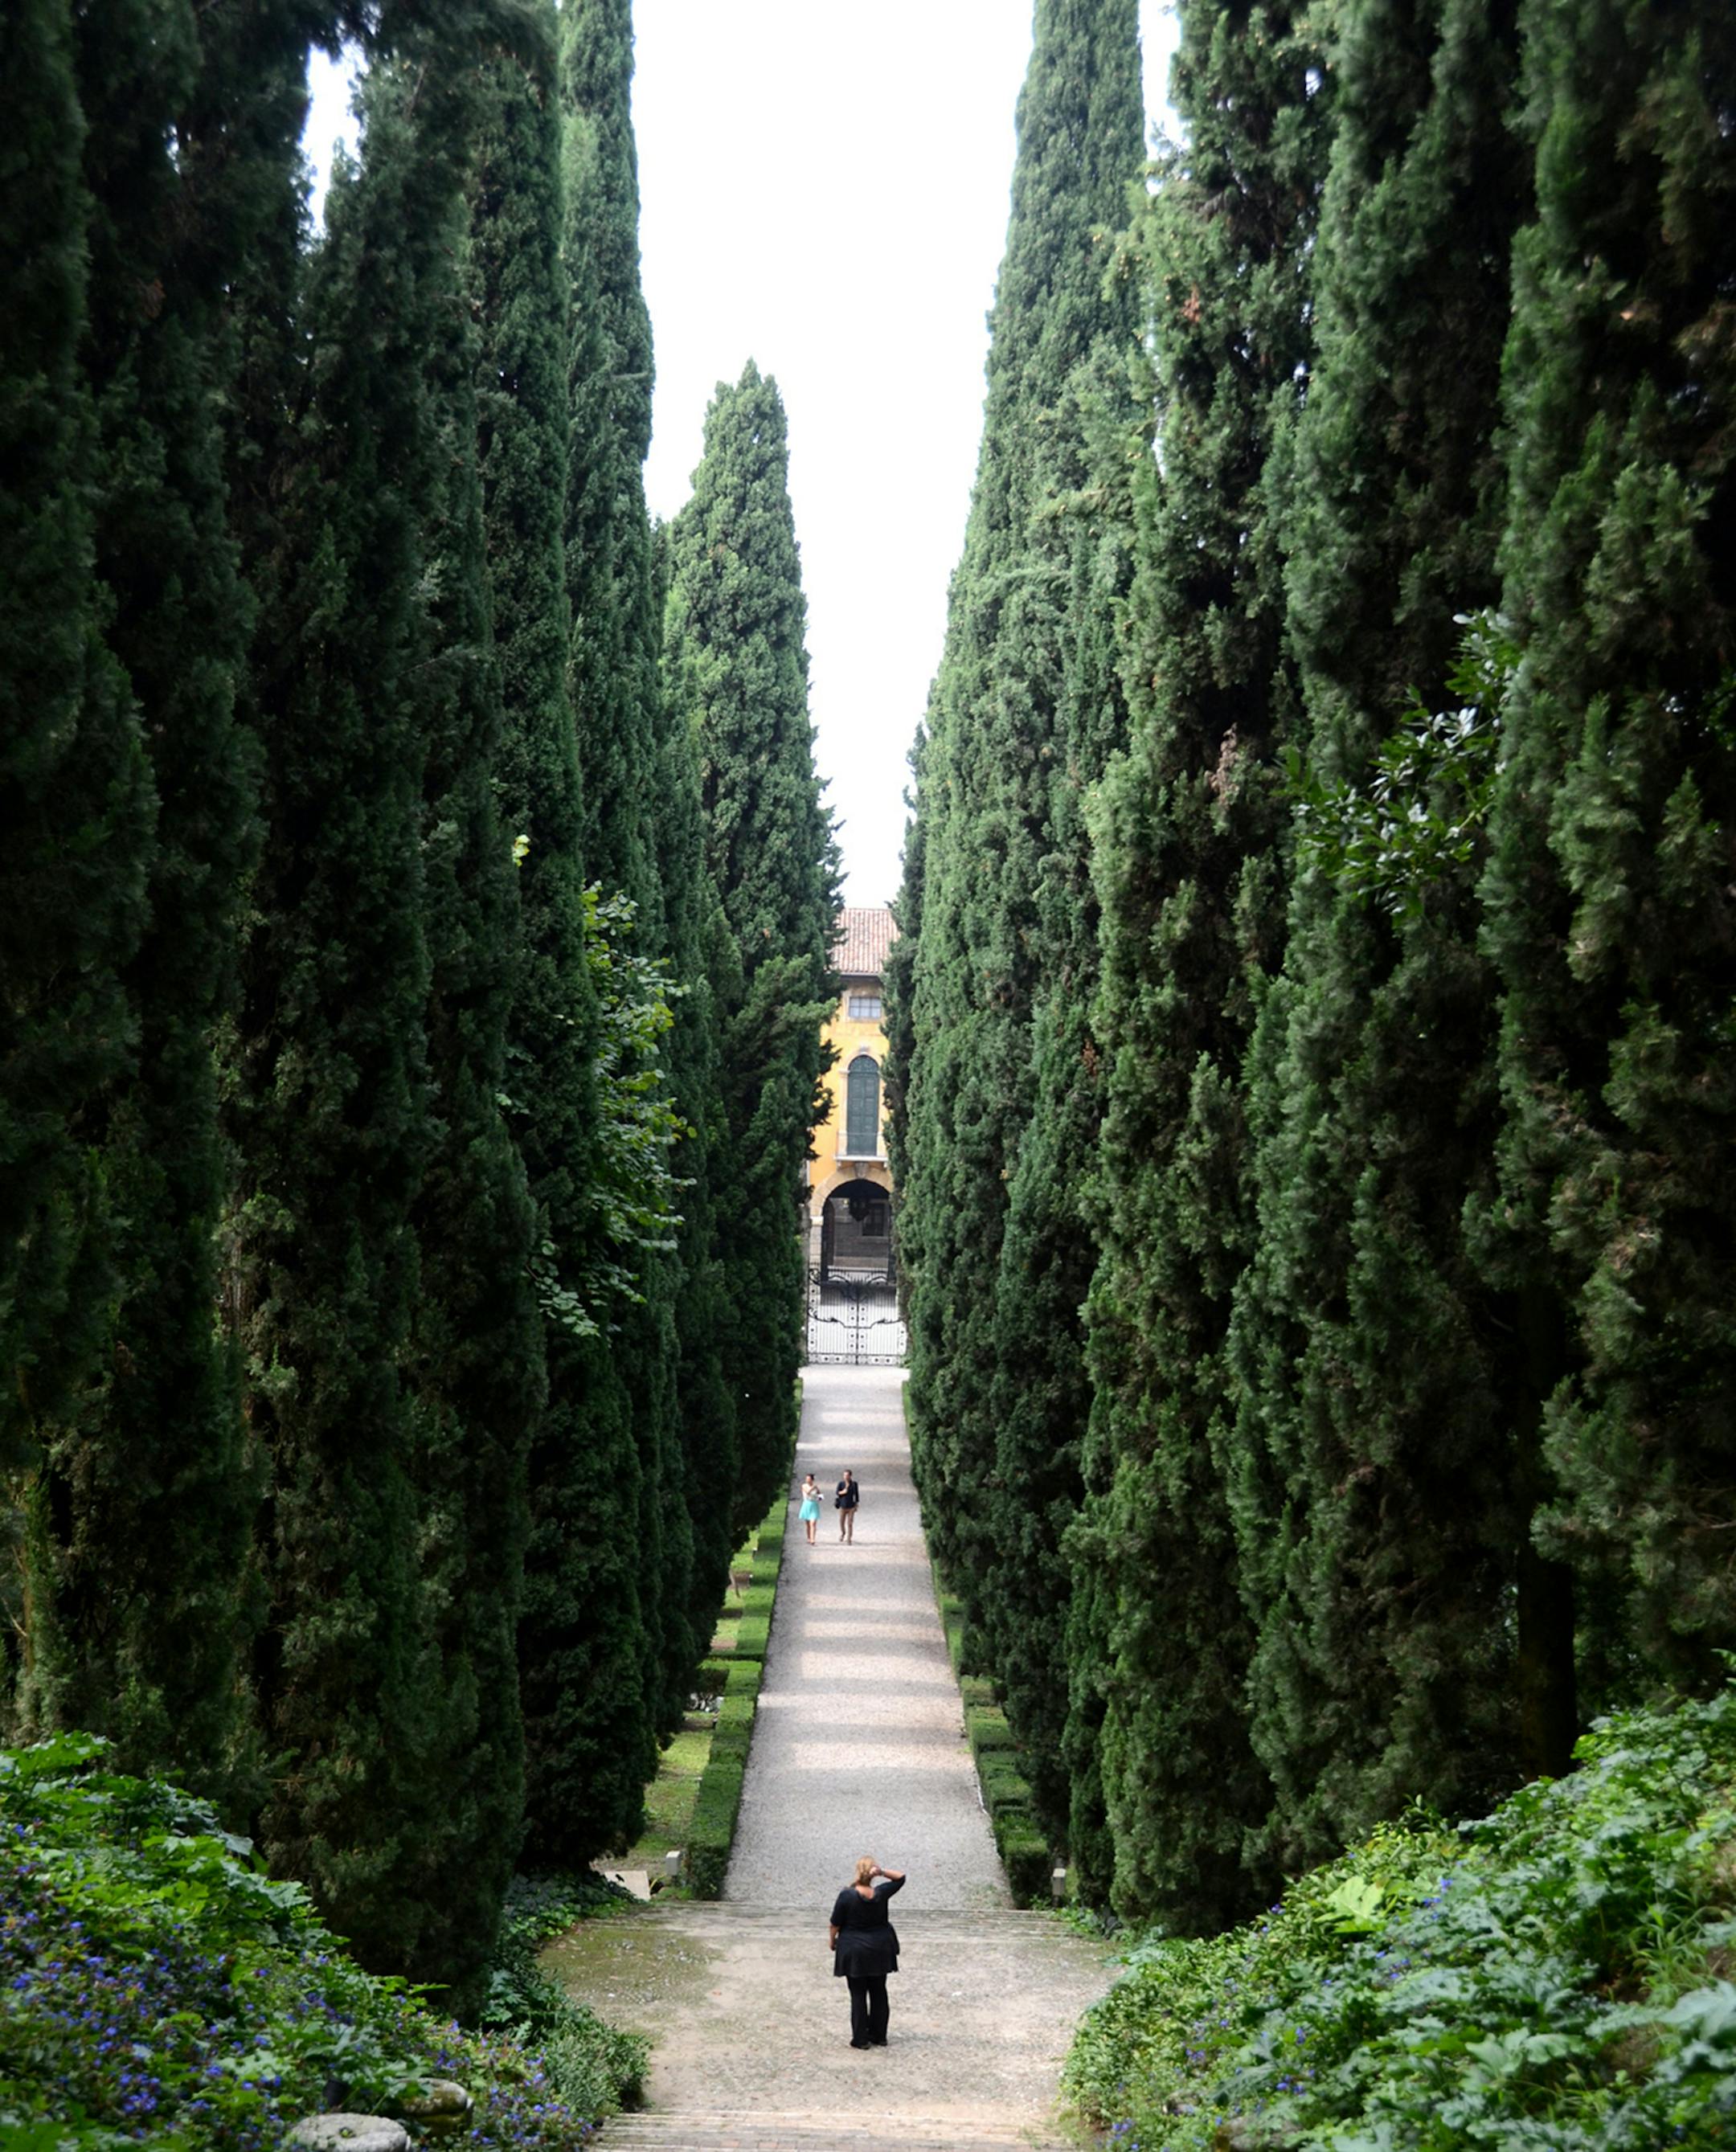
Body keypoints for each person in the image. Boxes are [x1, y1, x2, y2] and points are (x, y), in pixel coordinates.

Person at [829, 1856, 905, 2048]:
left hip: (854, 1949)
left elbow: (835, 1923)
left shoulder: (847, 1895)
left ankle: (861, 2038)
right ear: (872, 1873)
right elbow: (901, 1878)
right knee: (879, 1991)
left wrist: (832, 1941)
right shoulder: (881, 1893)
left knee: (858, 1994)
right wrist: (882, 1872)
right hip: (880, 1948)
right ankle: (879, 2035)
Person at [835, 1468, 860, 1543]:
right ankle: (843, 1533)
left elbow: (857, 1495)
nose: (846, 1477)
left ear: (850, 1476)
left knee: (850, 1523)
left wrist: (856, 1504)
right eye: (844, 1475)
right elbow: (837, 1492)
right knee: (841, 1522)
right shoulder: (841, 1484)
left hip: (851, 1506)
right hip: (843, 1506)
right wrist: (843, 1492)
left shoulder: (854, 1484)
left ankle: (849, 1538)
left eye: (847, 1475)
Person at [798, 1472, 822, 1545]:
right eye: (806, 1479)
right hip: (806, 1504)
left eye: (809, 1479)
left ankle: (813, 1539)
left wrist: (819, 1498)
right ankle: (809, 1537)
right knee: (808, 1523)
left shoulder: (816, 1487)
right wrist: (813, 1487)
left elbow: (820, 1495)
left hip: (814, 1504)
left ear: (812, 1480)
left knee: (813, 1522)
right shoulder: (804, 1486)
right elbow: (807, 1492)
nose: (807, 1480)